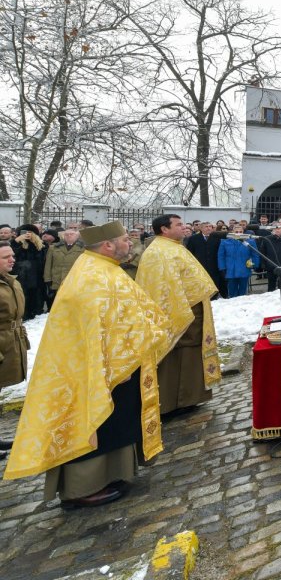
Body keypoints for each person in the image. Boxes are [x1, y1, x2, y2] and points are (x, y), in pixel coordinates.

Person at [4, 222, 191, 507]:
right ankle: (83, 488)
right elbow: (96, 328)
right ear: (108, 245)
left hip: (117, 367)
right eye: (125, 240)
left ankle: (112, 474)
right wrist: (116, 363)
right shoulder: (93, 275)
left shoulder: (102, 268)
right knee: (97, 424)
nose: (130, 244)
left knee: (116, 423)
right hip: (101, 370)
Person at [137, 214, 221, 417]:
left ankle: (189, 398)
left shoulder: (173, 247)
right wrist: (181, 309)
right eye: (179, 224)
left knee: (189, 354)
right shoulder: (159, 252)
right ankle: (170, 402)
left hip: (191, 309)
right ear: (164, 229)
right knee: (175, 355)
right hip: (178, 312)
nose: (184, 227)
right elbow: (164, 288)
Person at [0, 242, 29, 458]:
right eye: (5, 257)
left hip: (11, 342)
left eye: (11, 256)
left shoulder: (11, 282)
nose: (12, 259)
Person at [43, 227, 84, 308]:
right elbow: (48, 265)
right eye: (66, 234)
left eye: (71, 234)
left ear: (77, 236)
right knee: (56, 305)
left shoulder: (83, 248)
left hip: (73, 281)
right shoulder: (53, 248)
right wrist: (47, 280)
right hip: (56, 280)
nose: (69, 236)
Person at [12, 225, 47, 318]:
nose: (27, 234)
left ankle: (35, 313)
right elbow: (12, 254)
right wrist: (17, 241)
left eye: (30, 232)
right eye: (25, 232)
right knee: (22, 296)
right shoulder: (16, 244)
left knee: (36, 296)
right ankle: (23, 315)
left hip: (37, 276)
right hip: (22, 275)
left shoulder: (42, 245)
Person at [216, 224, 258, 298]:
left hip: (244, 269)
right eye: (236, 231)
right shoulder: (224, 242)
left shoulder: (250, 241)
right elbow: (221, 256)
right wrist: (222, 268)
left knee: (243, 292)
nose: (238, 233)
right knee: (232, 292)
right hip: (230, 270)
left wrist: (255, 265)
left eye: (240, 231)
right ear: (232, 232)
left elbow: (255, 254)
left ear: (243, 232)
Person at [185, 223, 225, 298]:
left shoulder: (217, 238)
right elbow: (189, 253)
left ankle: (214, 298)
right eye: (206, 227)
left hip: (214, 266)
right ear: (201, 228)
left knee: (214, 283)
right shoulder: (193, 238)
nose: (209, 228)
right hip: (200, 266)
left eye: (210, 226)